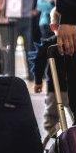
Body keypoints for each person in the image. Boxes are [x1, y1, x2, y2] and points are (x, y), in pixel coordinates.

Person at [31, 8, 67, 143]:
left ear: (52, 26)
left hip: (55, 89)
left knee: (51, 117)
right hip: (75, 86)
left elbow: (38, 62)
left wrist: (38, 81)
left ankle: (54, 139)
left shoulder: (48, 44)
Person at [6, 0, 40, 80]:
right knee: (28, 49)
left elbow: (8, 0)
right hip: (27, 19)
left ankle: (10, 74)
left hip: (14, 19)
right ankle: (31, 75)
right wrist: (34, 10)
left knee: (12, 48)